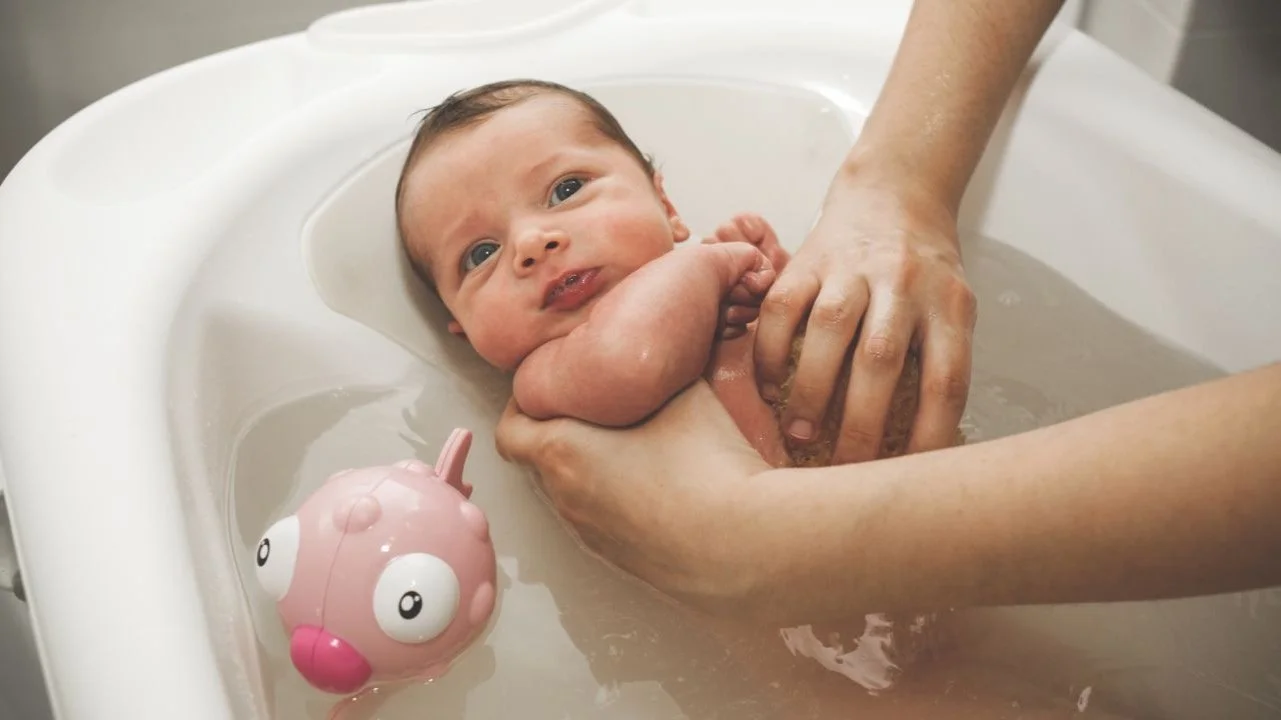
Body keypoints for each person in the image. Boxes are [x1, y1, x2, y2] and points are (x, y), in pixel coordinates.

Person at [492, 0, 1281, 625]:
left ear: (666, 204)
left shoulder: (708, 305)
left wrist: (774, 292)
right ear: (465, 330)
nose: (531, 243)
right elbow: (632, 361)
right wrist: (708, 264)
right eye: (478, 257)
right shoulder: (552, 378)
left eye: (566, 191)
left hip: (904, 566)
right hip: (793, 645)